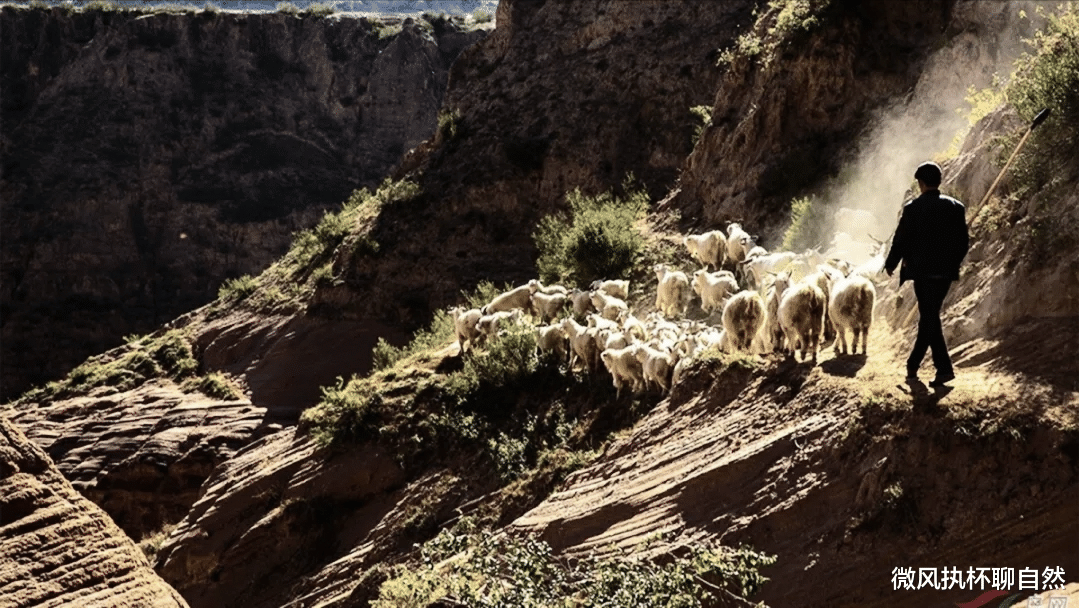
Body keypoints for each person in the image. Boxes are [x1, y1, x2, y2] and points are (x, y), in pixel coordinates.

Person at [884, 161, 969, 387]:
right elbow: (963, 243)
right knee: (929, 317)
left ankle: (943, 369)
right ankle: (913, 365)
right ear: (938, 181)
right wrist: (952, 264)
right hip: (945, 274)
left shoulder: (912, 209)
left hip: (921, 274)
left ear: (921, 184)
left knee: (929, 317)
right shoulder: (956, 207)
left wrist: (891, 263)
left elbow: (900, 240)